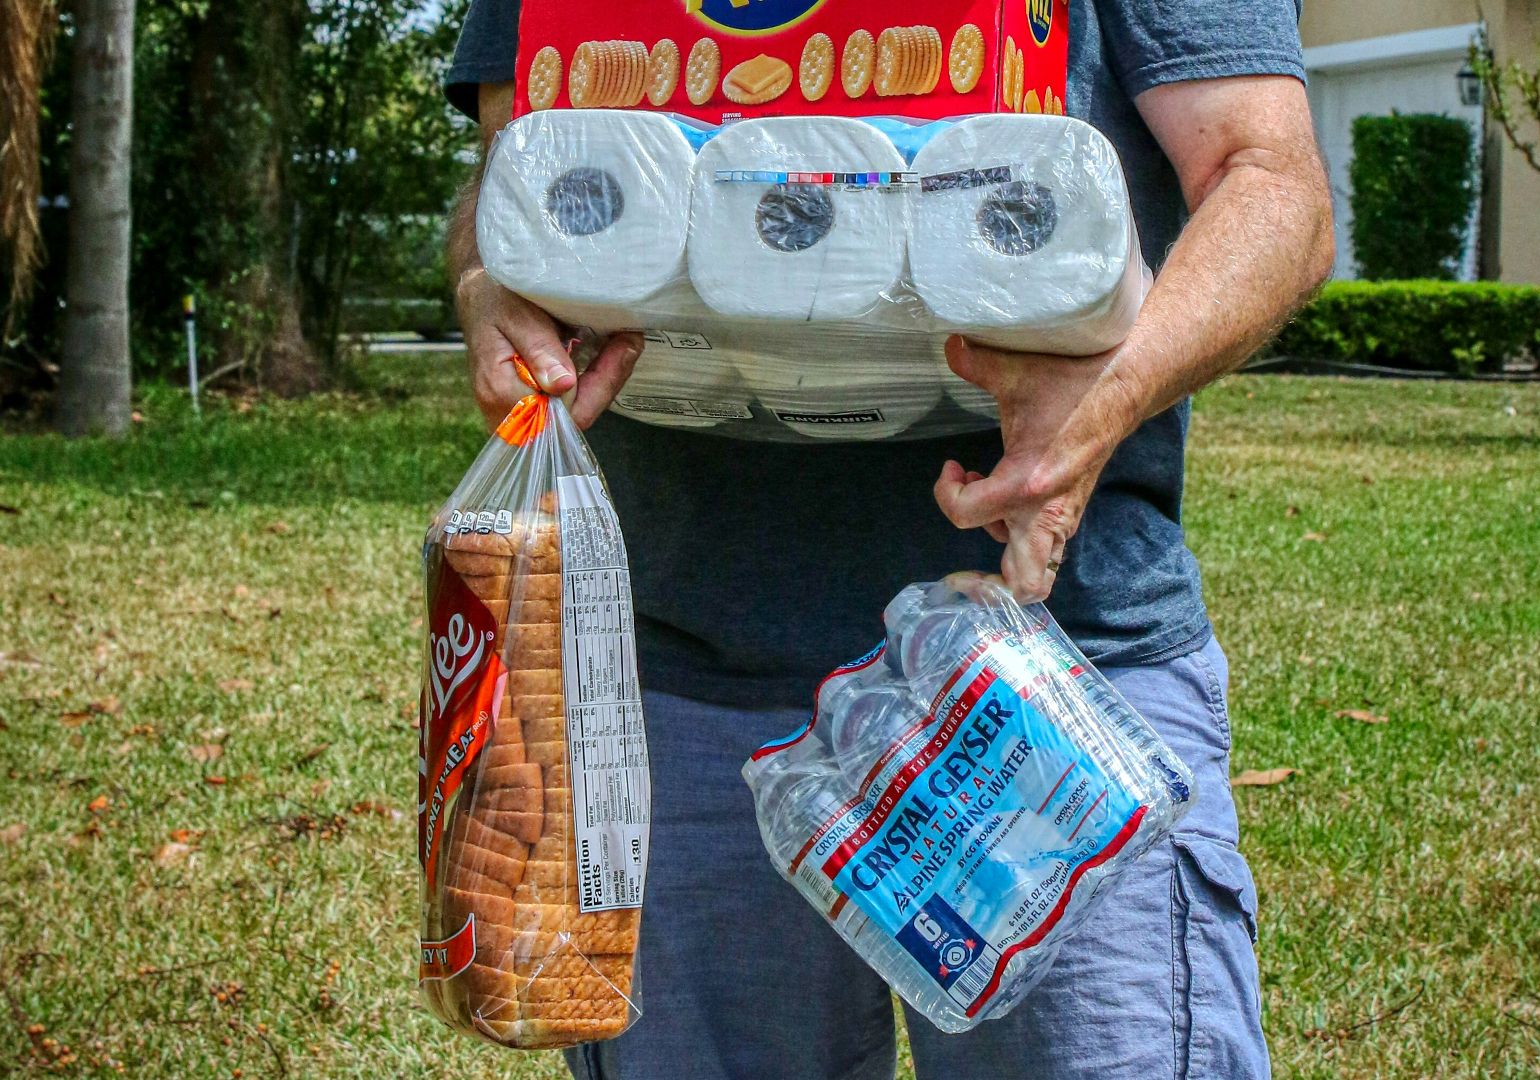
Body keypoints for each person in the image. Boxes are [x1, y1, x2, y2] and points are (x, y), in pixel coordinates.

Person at [443, 1, 1332, 1075]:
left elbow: (1271, 184)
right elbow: (515, 169)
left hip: (1045, 675)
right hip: (681, 682)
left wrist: (1114, 388)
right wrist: (486, 284)